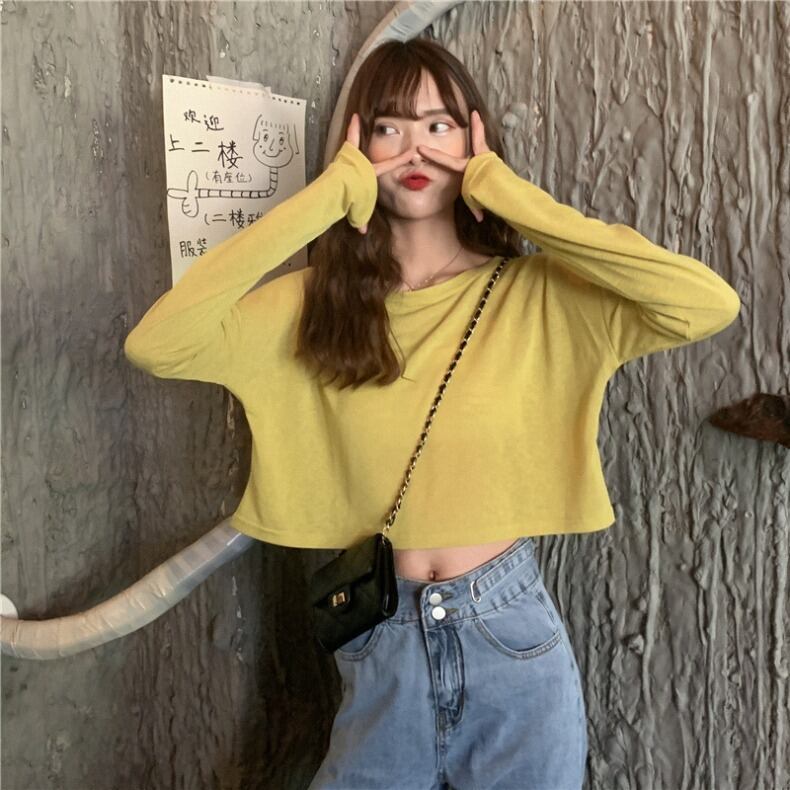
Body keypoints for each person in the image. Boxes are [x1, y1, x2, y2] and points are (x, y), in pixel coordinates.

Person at [124, 39, 740, 790]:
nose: (416, 148)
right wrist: (325, 199)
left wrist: (510, 195)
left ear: (474, 142)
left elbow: (704, 304)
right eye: (389, 127)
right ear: (358, 145)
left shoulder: (537, 294)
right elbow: (159, 344)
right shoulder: (316, 306)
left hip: (509, 640)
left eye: (440, 126)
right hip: (379, 641)